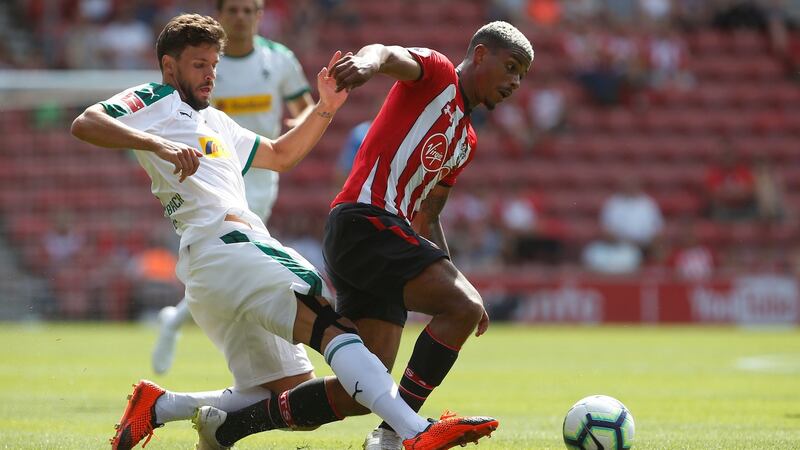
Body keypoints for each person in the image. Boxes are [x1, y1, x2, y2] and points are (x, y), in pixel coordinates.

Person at [71, 13, 497, 450]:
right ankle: (413, 431)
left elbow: (279, 155)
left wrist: (325, 107)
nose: (210, 75)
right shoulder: (156, 98)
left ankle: (160, 406)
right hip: (230, 245)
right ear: (168, 66)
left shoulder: (216, 122)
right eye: (199, 65)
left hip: (213, 266)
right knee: (330, 326)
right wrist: (158, 144)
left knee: (290, 390)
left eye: (214, 65)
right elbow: (86, 121)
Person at [322, 21, 534, 449]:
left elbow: (429, 216)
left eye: (521, 76)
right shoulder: (437, 74)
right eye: (511, 67)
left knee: (361, 390)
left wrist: (456, 282)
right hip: (365, 222)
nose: (515, 82)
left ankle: (228, 420)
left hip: (384, 237)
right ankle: (395, 435)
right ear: (480, 54)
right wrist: (365, 64)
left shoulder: (466, 141)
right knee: (463, 307)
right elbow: (385, 51)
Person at [151, 0, 316, 376]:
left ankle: (179, 319)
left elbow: (305, 107)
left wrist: (303, 121)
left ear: (259, 16)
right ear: (220, 15)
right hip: (212, 171)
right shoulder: (204, 61)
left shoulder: (279, 60)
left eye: (248, 10)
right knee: (238, 255)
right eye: (234, 10)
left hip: (260, 172)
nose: (241, 17)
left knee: (238, 256)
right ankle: (264, 337)